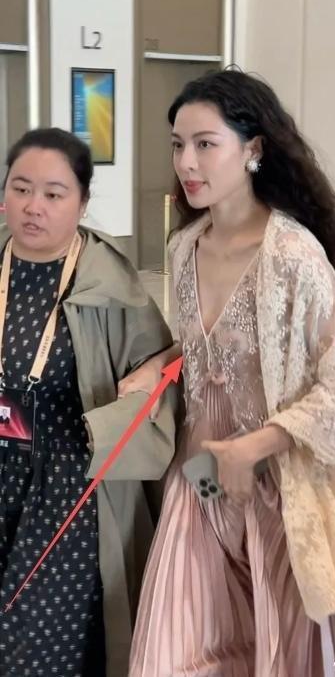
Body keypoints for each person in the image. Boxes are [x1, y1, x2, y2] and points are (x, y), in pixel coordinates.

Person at [126, 70, 335, 676]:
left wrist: (254, 446)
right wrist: (160, 366)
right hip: (199, 486)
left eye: (206, 144)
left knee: (290, 651)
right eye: (178, 145)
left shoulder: (292, 256)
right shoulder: (184, 247)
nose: (186, 162)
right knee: (179, 650)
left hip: (283, 495)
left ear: (253, 148)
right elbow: (206, 347)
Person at [0, 128, 180, 677]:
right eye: (20, 188)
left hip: (68, 485)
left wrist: (152, 378)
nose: (33, 206)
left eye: (53, 194)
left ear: (82, 203)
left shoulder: (109, 283)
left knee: (34, 642)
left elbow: (166, 372)